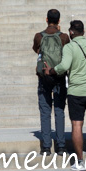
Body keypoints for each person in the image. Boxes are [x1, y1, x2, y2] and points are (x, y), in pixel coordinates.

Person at [47, 20, 86, 171]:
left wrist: (52, 71)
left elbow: (64, 66)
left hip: (76, 93)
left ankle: (80, 161)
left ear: (71, 32)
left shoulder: (69, 47)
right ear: (84, 31)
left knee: (77, 125)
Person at [32, 9, 69, 154]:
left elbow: (36, 50)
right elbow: (67, 54)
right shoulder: (64, 37)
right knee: (59, 110)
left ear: (46, 19)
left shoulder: (38, 36)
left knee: (45, 110)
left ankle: (46, 146)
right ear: (59, 21)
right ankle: (61, 146)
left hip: (44, 77)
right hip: (59, 76)